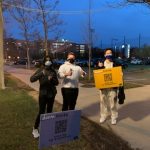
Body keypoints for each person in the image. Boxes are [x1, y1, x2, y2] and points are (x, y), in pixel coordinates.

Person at [30, 56, 59, 138]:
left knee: (49, 111)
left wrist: (51, 79)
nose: (48, 61)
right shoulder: (41, 70)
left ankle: (48, 128)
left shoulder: (53, 71)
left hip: (51, 94)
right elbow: (31, 79)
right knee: (41, 112)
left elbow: (56, 82)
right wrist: (41, 74)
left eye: (50, 60)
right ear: (44, 61)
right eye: (47, 60)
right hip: (43, 94)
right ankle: (35, 128)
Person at [97, 48, 125, 125]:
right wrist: (99, 67)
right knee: (103, 102)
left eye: (110, 53)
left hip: (113, 87)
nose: (109, 54)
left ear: (112, 54)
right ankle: (103, 116)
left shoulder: (115, 63)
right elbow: (97, 75)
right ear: (104, 55)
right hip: (103, 87)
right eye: (107, 53)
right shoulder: (101, 63)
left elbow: (120, 75)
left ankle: (114, 117)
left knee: (113, 102)